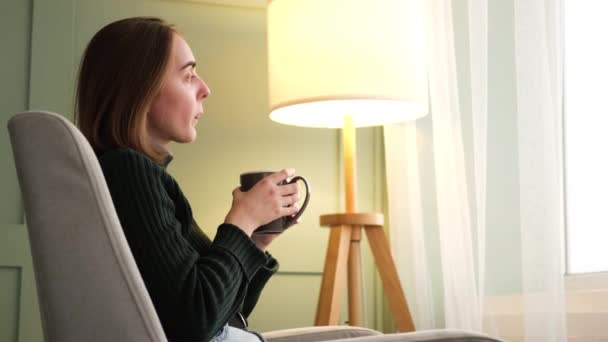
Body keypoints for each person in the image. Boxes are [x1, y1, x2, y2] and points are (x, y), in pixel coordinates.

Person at [75, 17, 300, 342]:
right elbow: (194, 321)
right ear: (141, 87)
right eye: (188, 75)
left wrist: (252, 241)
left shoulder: (127, 175)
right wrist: (241, 220)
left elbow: (225, 314)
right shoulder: (129, 172)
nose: (205, 89)